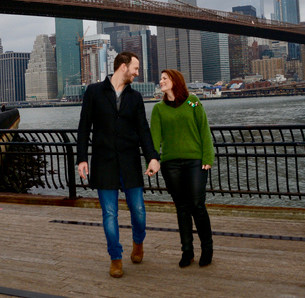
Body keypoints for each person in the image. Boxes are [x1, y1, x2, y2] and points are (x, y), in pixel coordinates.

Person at [77, 51, 160, 278]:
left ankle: (138, 242)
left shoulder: (135, 98)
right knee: (110, 214)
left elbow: (143, 129)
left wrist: (153, 157)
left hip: (131, 161)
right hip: (104, 162)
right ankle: (115, 258)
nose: (137, 72)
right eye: (135, 67)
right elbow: (84, 127)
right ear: (123, 66)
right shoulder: (94, 92)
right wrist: (82, 158)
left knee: (139, 210)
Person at [150, 69, 215, 268]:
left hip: (195, 161)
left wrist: (207, 156)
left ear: (175, 81)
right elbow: (154, 139)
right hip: (171, 165)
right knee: (182, 207)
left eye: (164, 78)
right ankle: (187, 251)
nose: (160, 81)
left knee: (197, 204)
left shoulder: (193, 101)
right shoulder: (158, 109)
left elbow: (204, 130)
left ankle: (207, 248)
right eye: (160, 78)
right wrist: (152, 161)